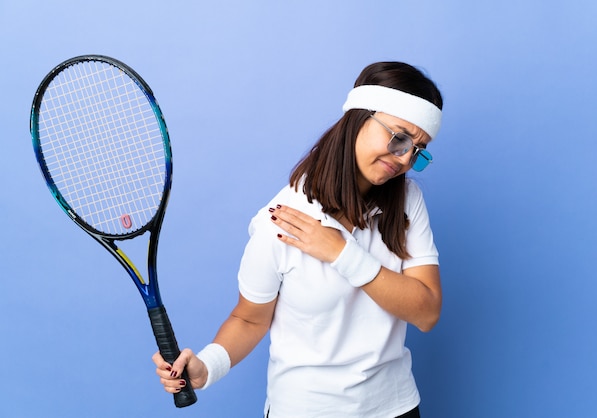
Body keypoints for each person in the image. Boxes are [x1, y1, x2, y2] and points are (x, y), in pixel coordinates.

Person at [153, 61, 444, 418]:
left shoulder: (406, 200)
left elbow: (427, 312)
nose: (404, 159)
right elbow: (249, 319)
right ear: (358, 117)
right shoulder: (281, 220)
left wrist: (341, 252)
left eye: (418, 150)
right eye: (399, 137)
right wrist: (207, 367)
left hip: (395, 407)